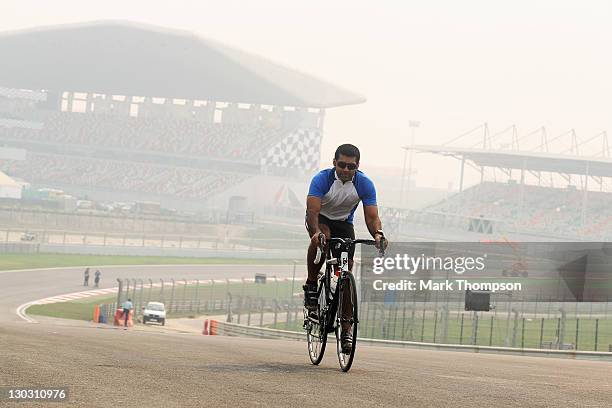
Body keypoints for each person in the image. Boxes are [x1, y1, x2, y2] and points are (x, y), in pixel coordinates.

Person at [304, 144, 387, 353]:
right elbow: (312, 211)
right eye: (342, 165)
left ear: (358, 166)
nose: (346, 170)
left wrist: (378, 234)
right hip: (320, 219)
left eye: (351, 166)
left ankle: (347, 328)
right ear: (334, 163)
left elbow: (372, 217)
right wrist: (315, 233)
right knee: (323, 239)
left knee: (346, 272)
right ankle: (312, 285)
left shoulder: (365, 184)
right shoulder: (322, 179)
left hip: (343, 223)